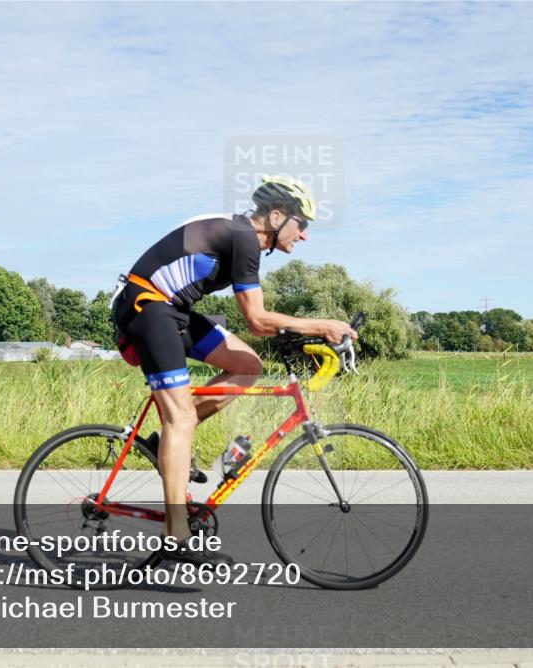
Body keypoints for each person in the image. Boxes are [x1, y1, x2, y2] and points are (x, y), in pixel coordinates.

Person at [111, 175, 357, 565]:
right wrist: (323, 325)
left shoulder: (242, 237)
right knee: (182, 420)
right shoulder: (242, 235)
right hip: (146, 307)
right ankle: (176, 535)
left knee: (246, 365)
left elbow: (255, 327)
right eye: (302, 224)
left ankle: (168, 441)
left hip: (172, 310)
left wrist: (303, 331)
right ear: (276, 216)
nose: (305, 235)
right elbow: (257, 320)